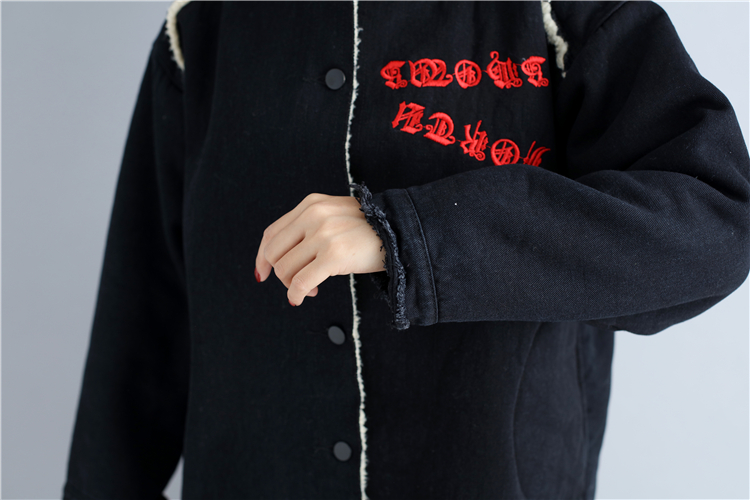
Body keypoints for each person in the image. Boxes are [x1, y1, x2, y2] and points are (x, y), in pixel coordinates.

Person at [63, 1, 750, 499]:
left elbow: (715, 221)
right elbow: (143, 325)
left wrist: (413, 237)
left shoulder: (557, 13)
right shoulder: (204, 30)